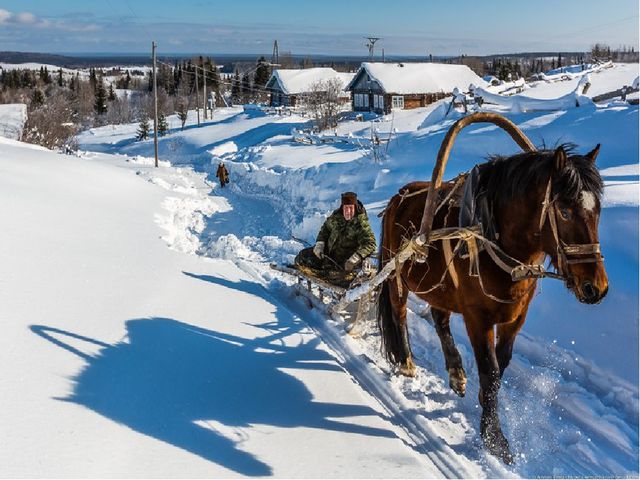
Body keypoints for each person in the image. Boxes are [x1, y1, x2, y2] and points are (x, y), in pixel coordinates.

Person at [295, 192, 377, 287]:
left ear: (355, 208)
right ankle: (321, 270)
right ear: (342, 207)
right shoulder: (337, 217)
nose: (348, 211)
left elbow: (370, 243)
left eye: (351, 208)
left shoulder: (361, 224)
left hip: (344, 263)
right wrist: (320, 244)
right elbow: (325, 228)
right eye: (346, 208)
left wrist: (355, 258)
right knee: (302, 257)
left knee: (337, 278)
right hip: (327, 256)